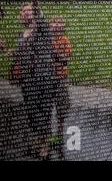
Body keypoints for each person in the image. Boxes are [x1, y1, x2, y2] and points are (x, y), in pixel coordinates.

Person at [10, 0, 56, 160]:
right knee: (31, 111)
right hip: (27, 79)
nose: (27, 13)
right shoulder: (21, 34)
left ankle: (44, 144)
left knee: (44, 110)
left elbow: (41, 18)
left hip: (44, 77)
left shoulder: (42, 29)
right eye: (24, 11)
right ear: (20, 16)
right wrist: (8, 51)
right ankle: (39, 138)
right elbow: (22, 54)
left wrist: (35, 2)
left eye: (30, 11)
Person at [49, 16, 73, 159]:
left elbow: (66, 59)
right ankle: (47, 134)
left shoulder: (64, 40)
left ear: (63, 26)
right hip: (46, 77)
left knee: (62, 106)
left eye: (60, 23)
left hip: (60, 78)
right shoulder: (45, 39)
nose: (57, 25)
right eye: (54, 22)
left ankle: (59, 132)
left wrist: (56, 54)